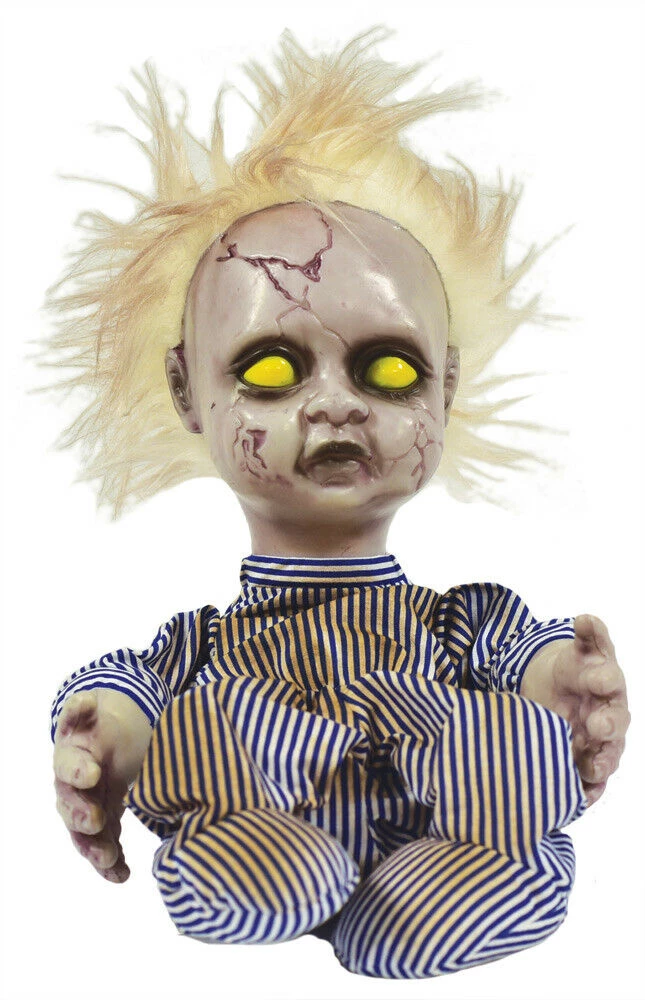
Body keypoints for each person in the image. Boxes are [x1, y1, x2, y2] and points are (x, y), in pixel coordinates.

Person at [48, 31, 629, 979]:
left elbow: (523, 658)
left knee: (508, 739)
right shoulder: (206, 645)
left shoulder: (462, 621)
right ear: (188, 393)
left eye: (388, 370)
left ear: (445, 389)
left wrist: (560, 683)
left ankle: (460, 886)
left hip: (445, 845)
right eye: (271, 368)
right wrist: (105, 731)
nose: (334, 404)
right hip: (261, 827)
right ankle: (250, 857)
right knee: (199, 728)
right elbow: (133, 682)